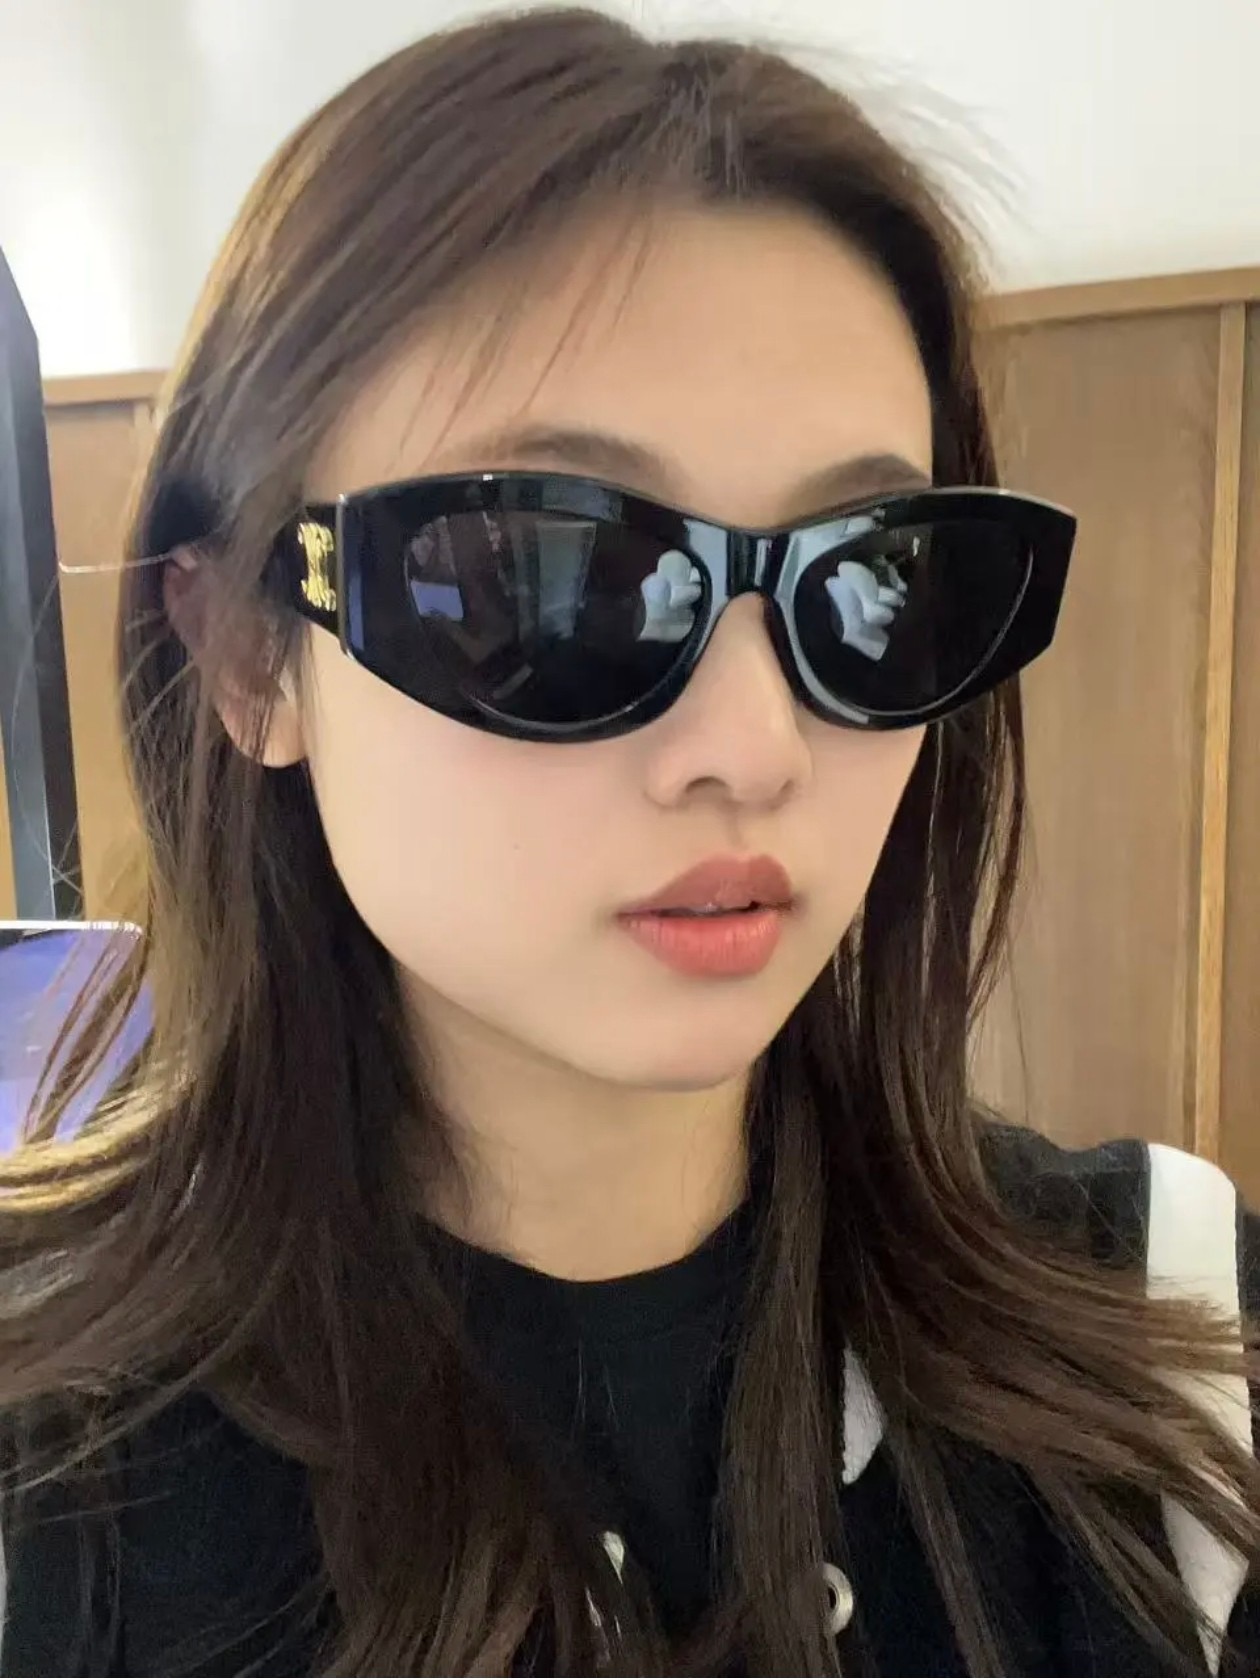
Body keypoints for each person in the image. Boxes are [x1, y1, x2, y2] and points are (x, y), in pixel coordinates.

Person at [0, 8, 1256, 1675]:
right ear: (246, 653)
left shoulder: (1176, 1345)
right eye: (557, 580)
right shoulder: (44, 1455)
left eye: (868, 579)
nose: (754, 747)